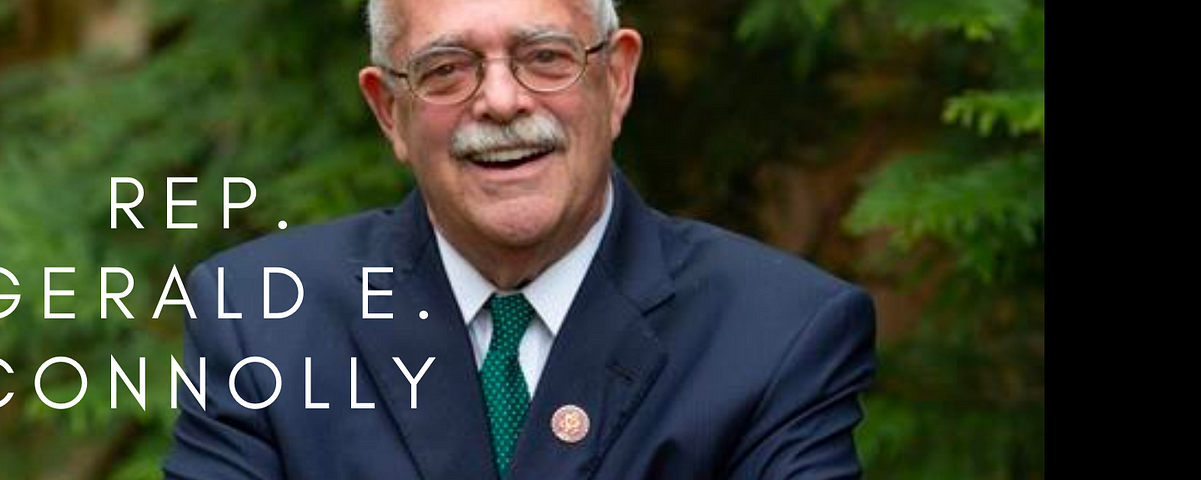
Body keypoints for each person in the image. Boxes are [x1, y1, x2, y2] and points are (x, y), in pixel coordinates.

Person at [164, 0, 876, 478]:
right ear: (389, 112)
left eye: (545, 57)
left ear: (618, 78)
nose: (501, 101)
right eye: (446, 69)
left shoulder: (779, 335)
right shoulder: (260, 321)